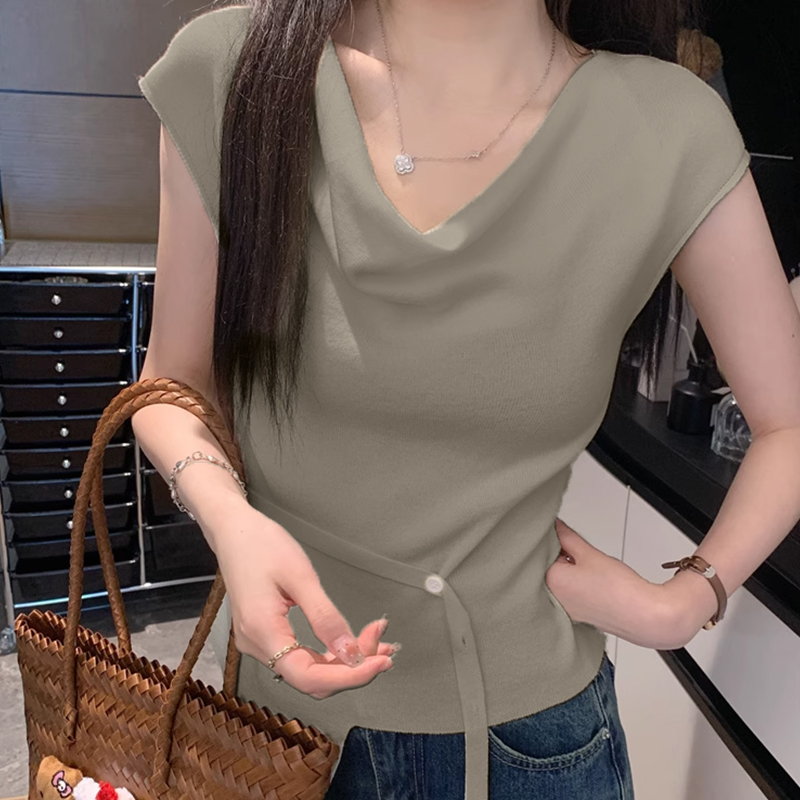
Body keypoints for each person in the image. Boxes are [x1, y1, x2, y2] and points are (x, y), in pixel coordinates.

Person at [133, 1, 800, 798]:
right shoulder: (236, 70)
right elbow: (172, 384)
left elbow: (788, 424)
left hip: (535, 746)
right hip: (272, 737)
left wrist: (685, 602)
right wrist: (228, 518)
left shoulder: (666, 127)